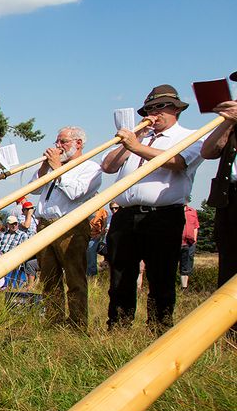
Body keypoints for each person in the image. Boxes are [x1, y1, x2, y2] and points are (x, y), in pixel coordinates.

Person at [100, 84, 204, 332]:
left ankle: (159, 330)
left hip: (163, 216)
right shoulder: (140, 138)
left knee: (161, 276)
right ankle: (119, 328)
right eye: (148, 109)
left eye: (160, 107)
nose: (153, 114)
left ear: (176, 109)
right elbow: (107, 166)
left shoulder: (191, 136)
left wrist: (137, 147)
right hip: (125, 215)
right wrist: (129, 143)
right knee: (120, 275)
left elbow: (177, 163)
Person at [33, 125, 103, 329]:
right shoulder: (55, 165)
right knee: (48, 278)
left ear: (78, 143)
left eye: (63, 142)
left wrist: (57, 168)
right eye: (57, 142)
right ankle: (53, 321)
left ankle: (77, 324)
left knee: (74, 277)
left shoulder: (90, 167)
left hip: (70, 226)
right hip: (45, 225)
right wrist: (46, 167)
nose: (58, 146)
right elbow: (35, 189)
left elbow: (76, 193)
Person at [200, 93, 237, 294]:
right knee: (229, 262)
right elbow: (208, 152)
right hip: (229, 198)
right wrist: (226, 123)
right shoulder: (232, 122)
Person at [179, 201, 199, 289]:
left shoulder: (193, 211)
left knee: (186, 267)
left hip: (189, 244)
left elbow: (196, 227)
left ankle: (184, 288)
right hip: (175, 243)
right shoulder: (172, 212)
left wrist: (194, 240)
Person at [87, 206, 108, 277]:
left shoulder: (102, 211)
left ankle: (91, 274)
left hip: (95, 236)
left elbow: (104, 225)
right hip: (85, 235)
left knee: (90, 249)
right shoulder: (85, 209)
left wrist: (100, 234)